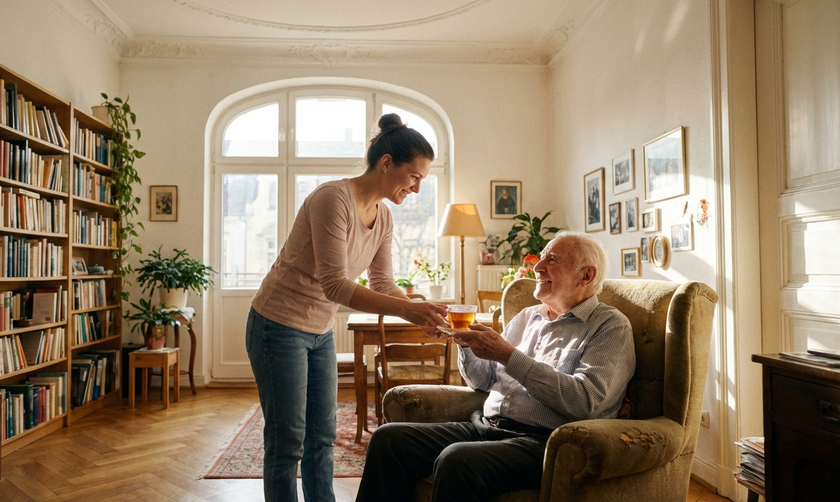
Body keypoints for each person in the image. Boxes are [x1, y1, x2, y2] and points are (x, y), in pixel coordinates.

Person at [247, 113, 449, 502]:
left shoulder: (384, 216)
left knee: (322, 436)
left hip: (319, 331)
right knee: (287, 440)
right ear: (387, 163)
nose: (418, 188)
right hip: (277, 324)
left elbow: (383, 284)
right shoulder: (331, 199)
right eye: (415, 177)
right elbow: (335, 284)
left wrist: (422, 309)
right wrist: (410, 312)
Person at [356, 231, 636, 502]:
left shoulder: (609, 326)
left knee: (457, 460)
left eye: (552, 260)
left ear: (586, 275)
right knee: (388, 440)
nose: (538, 266)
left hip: (544, 443)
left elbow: (585, 402)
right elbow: (483, 381)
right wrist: (467, 345)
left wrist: (507, 355)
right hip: (485, 426)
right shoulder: (528, 316)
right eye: (541, 258)